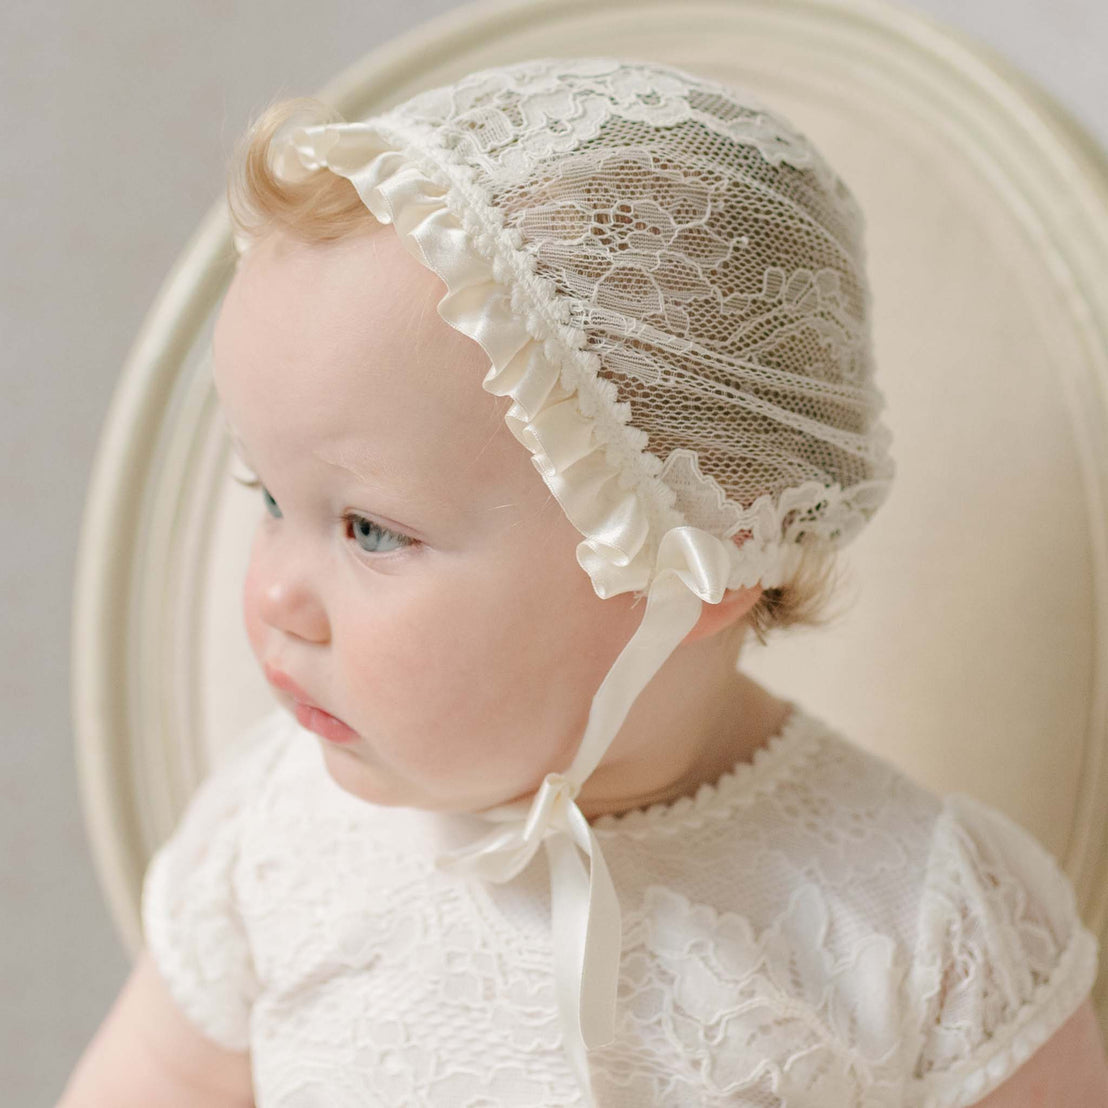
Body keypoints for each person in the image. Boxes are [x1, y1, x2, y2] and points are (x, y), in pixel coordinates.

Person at [58, 57, 1107, 1107]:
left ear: (696, 563)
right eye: (269, 496)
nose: (276, 592)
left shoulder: (918, 916)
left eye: (370, 529)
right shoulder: (272, 830)